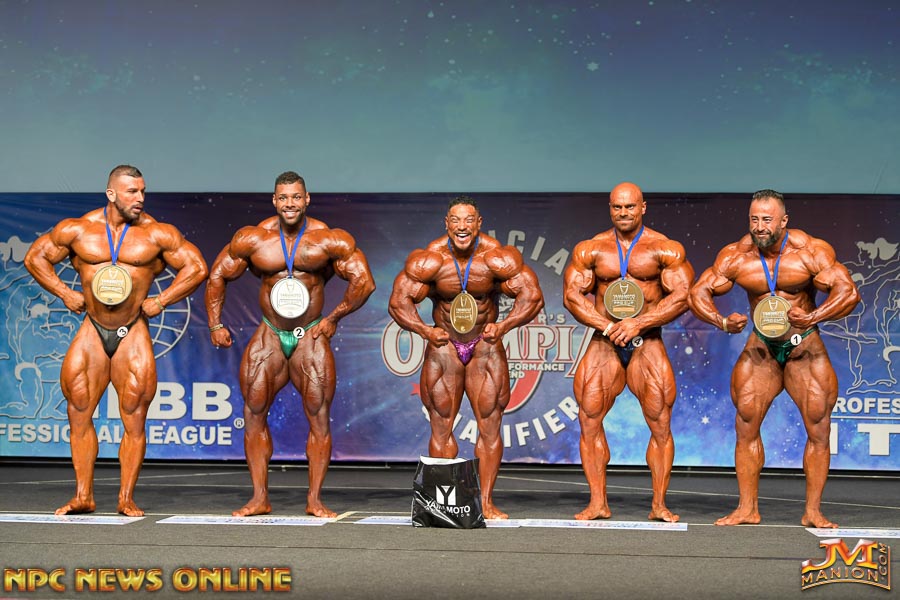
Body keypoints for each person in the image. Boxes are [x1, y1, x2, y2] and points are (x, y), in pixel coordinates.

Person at [24, 165, 209, 516]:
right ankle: (83, 495)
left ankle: (126, 498)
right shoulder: (78, 229)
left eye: (143, 191)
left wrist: (161, 300)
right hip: (93, 329)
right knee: (79, 409)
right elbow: (36, 257)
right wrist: (64, 292)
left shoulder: (157, 233)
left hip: (132, 330)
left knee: (134, 415)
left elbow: (197, 267)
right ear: (111, 194)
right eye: (131, 192)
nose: (140, 198)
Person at [205, 171, 375, 518]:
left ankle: (315, 500)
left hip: (310, 334)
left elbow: (364, 281)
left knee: (319, 416)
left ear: (307, 199)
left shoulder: (328, 239)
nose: (290, 204)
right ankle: (259, 498)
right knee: (253, 411)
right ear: (274, 201)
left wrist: (334, 317)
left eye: (296, 197)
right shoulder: (254, 238)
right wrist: (215, 323)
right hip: (270, 333)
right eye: (283, 197)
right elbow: (218, 274)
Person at [688, 189, 860, 527]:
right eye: (754, 219)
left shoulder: (809, 251)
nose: (759, 226)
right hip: (761, 348)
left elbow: (848, 292)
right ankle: (747, 509)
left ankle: (813, 511)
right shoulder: (737, 256)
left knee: (818, 427)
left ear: (784, 221)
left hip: (804, 347)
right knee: (746, 423)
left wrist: (813, 317)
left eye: (767, 219)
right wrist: (721, 321)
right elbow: (697, 293)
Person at [388, 196, 544, 519]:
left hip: (485, 345)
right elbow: (398, 302)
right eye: (456, 220)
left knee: (490, 423)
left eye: (469, 220)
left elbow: (532, 296)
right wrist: (425, 330)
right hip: (444, 345)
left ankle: (485, 503)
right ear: (446, 223)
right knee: (441, 424)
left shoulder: (497, 258)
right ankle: (445, 504)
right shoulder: (430, 259)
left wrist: (504, 326)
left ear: (479, 223)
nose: (462, 227)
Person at [563, 182, 694, 522]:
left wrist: (640, 323)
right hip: (604, 341)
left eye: (630, 207)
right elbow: (572, 296)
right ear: (610, 208)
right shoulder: (591, 249)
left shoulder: (664, 248)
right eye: (617, 207)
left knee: (660, 422)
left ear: (643, 207)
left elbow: (683, 295)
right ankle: (598, 503)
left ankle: (659, 505)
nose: (623, 213)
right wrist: (608, 326)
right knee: (589, 418)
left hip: (646, 340)